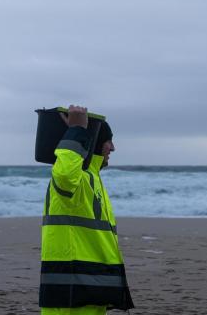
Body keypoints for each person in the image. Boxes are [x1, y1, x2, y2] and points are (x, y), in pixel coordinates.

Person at [39, 105, 134, 314]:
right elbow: (65, 176)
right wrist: (77, 131)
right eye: (108, 140)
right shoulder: (78, 179)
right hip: (71, 287)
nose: (113, 147)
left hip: (91, 284)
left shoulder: (93, 178)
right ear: (96, 141)